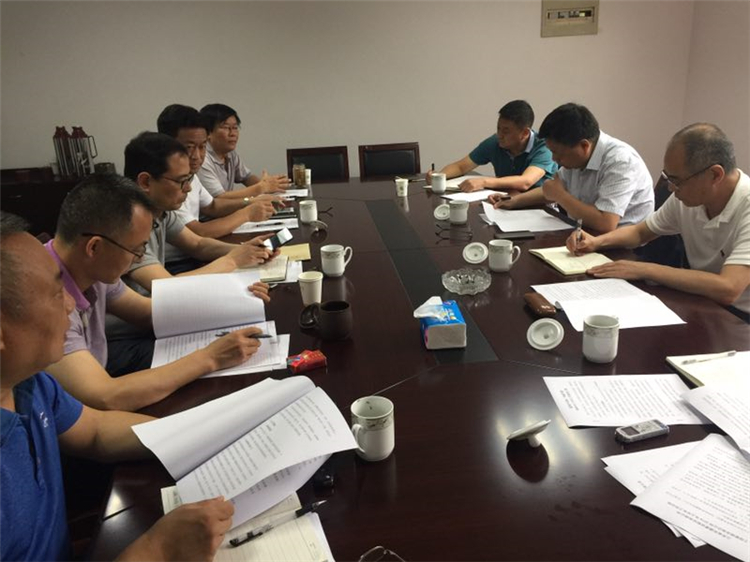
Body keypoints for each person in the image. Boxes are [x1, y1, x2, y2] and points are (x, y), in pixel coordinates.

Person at [0, 212, 234, 561]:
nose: (71, 303)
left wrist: (200, 432)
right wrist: (158, 550)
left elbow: (96, 430)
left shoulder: (27, 383)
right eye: (55, 293)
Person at [42, 175, 268, 412]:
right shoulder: (45, 298)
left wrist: (235, 297)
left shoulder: (91, 269)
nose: (138, 258)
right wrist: (211, 357)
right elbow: (105, 396)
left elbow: (148, 313)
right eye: (136, 250)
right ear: (94, 247)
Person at [567, 123, 750, 316]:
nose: (671, 188)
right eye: (668, 178)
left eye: (676, 181)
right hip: (702, 300)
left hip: (739, 317)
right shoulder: (688, 198)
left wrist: (645, 269)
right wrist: (596, 242)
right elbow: (640, 232)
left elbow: (728, 288)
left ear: (715, 175)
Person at [157, 104, 283, 274]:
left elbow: (210, 211)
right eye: (188, 148)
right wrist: (247, 213)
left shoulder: (190, 176)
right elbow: (200, 233)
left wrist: (243, 248)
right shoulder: (165, 188)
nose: (197, 156)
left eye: (202, 146)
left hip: (194, 257)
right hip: (176, 263)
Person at [491, 103, 654, 233]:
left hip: (624, 248)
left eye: (557, 153)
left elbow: (606, 223)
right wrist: (515, 200)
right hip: (584, 235)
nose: (554, 159)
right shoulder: (576, 156)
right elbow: (552, 190)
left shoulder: (620, 161)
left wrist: (560, 196)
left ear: (584, 146)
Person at [426, 100, 557, 193]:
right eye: (498, 128)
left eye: (506, 131)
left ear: (525, 133)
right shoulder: (495, 142)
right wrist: (439, 176)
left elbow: (525, 182)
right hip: (506, 202)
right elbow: (461, 166)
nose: (499, 135)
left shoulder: (544, 146)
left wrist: (484, 182)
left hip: (540, 208)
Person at [197, 103, 290, 199]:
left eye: (235, 128)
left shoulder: (230, 154)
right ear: (208, 133)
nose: (233, 133)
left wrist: (269, 185)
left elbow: (247, 177)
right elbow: (219, 198)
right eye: (226, 128)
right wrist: (260, 188)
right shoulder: (202, 159)